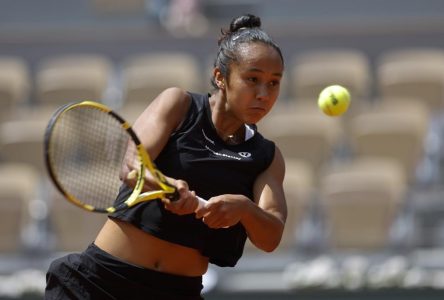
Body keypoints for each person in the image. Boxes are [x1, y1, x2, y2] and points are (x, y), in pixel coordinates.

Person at [45, 13, 287, 300]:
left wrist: (245, 208)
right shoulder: (178, 104)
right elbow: (133, 167)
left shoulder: (266, 156)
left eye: (274, 83)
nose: (264, 94)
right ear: (220, 77)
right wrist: (166, 186)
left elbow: (271, 236)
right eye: (252, 79)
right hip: (100, 283)